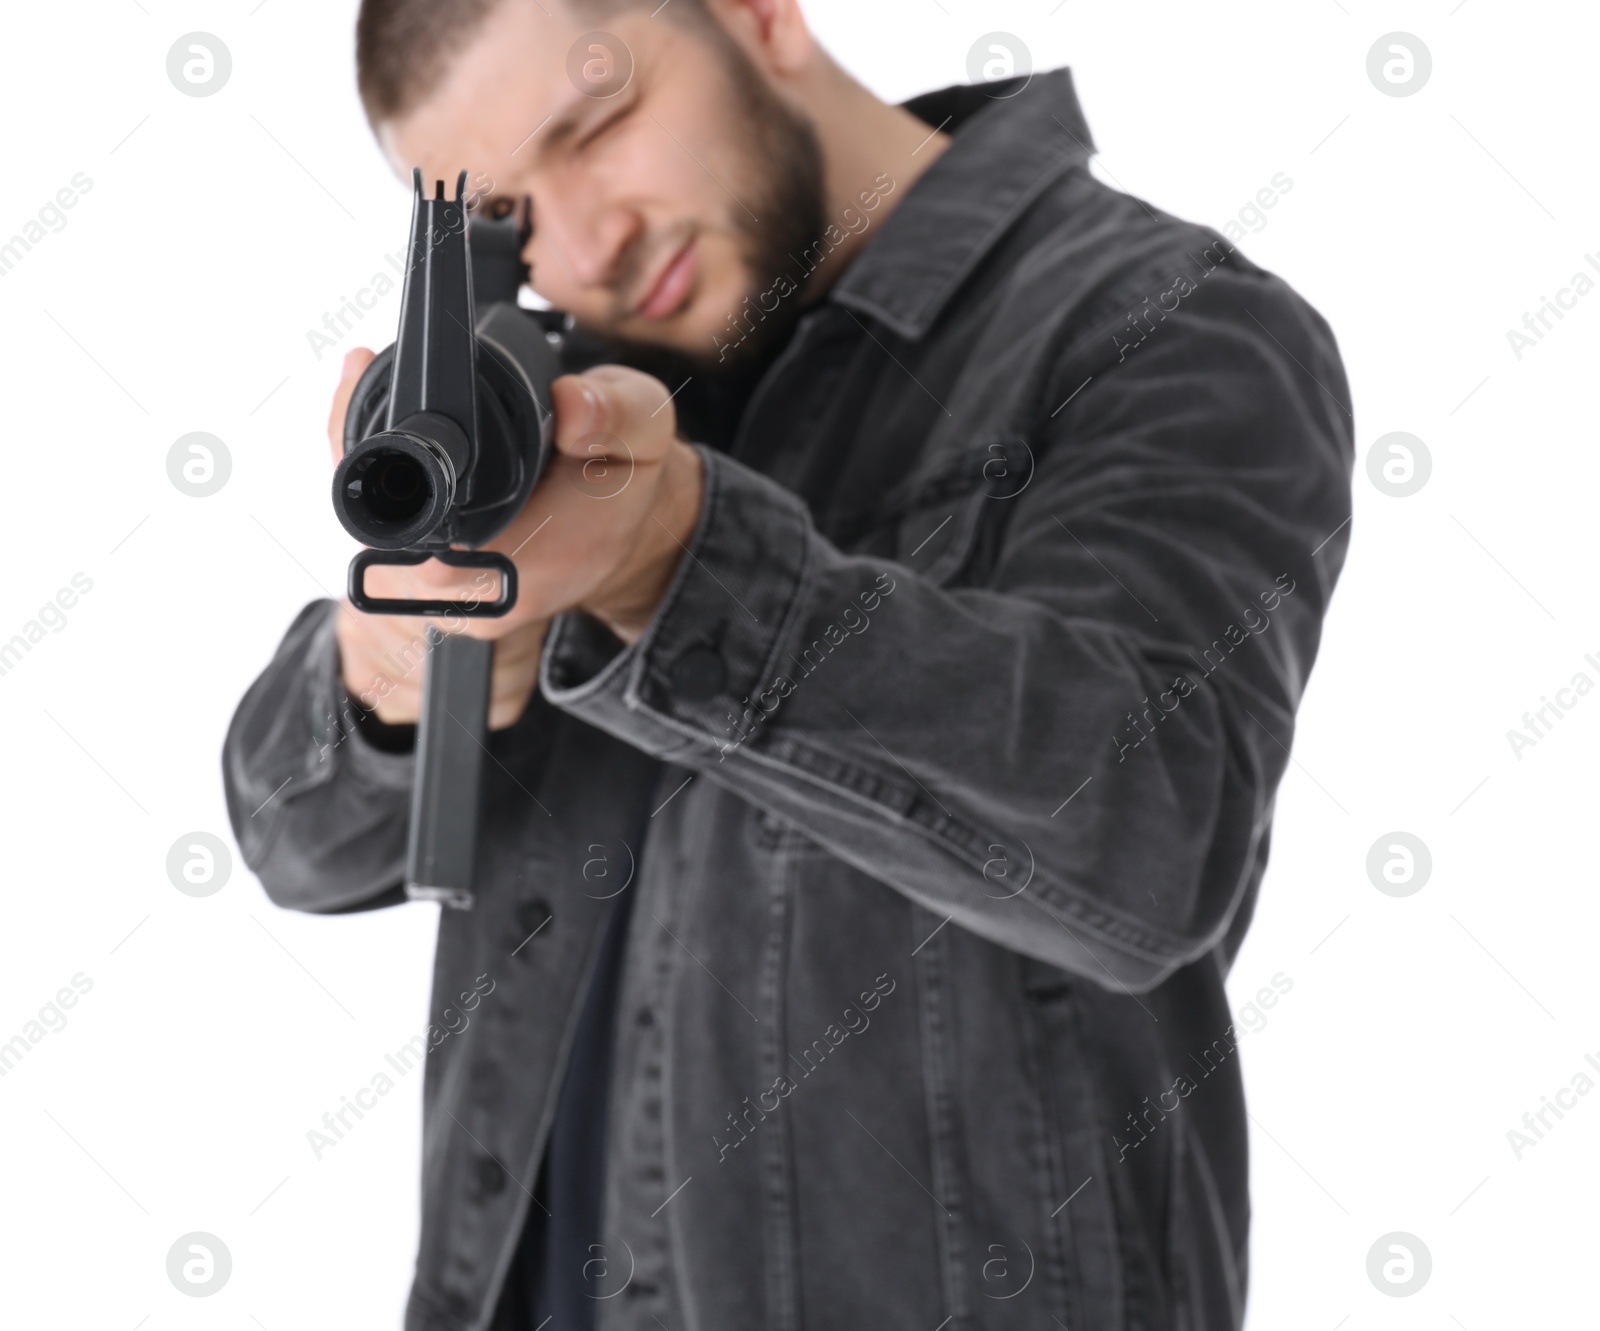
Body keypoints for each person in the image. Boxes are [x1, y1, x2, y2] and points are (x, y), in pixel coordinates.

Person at [222, 0, 1354, 1326]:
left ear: (758, 15)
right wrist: (389, 682)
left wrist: (675, 564)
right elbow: (299, 846)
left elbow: (1147, 838)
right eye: (514, 222)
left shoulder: (1162, 326)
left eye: (598, 126)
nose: (584, 246)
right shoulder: (569, 416)